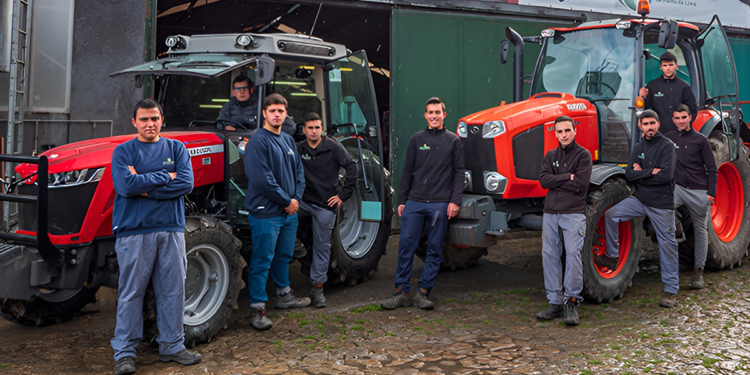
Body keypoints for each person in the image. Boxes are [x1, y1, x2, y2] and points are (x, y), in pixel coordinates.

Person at [110, 99, 200, 375]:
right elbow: (126, 185)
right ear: (134, 122)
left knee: (173, 290)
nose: (150, 124)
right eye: (144, 119)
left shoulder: (177, 148)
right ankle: (124, 353)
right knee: (131, 293)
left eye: (154, 119)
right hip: (134, 230)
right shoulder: (123, 152)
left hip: (171, 229)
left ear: (162, 120)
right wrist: (165, 176)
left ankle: (172, 346)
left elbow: (186, 183)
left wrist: (146, 186)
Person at [381, 97, 465, 311]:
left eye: (438, 112)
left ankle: (423, 293)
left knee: (435, 249)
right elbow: (407, 170)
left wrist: (454, 201)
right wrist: (402, 200)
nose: (434, 116)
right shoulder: (417, 139)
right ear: (425, 115)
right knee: (405, 246)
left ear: (444, 115)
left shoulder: (453, 141)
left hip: (439, 204)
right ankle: (400, 292)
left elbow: (458, 173)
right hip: (415, 202)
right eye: (430, 112)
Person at [595, 110, 679, 308]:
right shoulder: (638, 147)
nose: (649, 127)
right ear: (640, 126)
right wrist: (650, 172)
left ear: (658, 123)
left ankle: (670, 290)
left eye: (652, 123)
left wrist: (642, 173)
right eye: (645, 124)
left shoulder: (667, 146)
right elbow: (630, 175)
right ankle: (612, 258)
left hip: (661, 205)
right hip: (640, 200)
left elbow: (666, 176)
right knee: (611, 215)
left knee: (667, 245)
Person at [244, 93, 310, 331]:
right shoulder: (258, 141)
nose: (277, 114)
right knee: (262, 260)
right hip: (266, 213)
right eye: (272, 110)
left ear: (286, 114)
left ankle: (284, 295)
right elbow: (261, 179)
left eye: (281, 111)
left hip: (288, 212)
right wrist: (286, 201)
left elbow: (299, 173)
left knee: (283, 256)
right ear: (264, 113)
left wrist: (296, 199)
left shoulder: (288, 141)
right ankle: (258, 308)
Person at [296, 112, 358, 307]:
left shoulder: (333, 147)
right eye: (310, 128)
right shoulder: (298, 149)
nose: (314, 131)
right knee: (282, 226)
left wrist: (342, 196)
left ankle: (317, 289)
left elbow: (352, 168)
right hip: (303, 203)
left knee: (322, 246)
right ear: (304, 130)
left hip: (325, 205)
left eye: (317, 127)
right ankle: (298, 254)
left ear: (322, 129)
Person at [536, 116, 592, 326]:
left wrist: (558, 180)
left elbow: (580, 184)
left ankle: (571, 301)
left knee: (573, 255)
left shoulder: (583, 156)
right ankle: (554, 302)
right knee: (549, 255)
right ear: (555, 133)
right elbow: (543, 180)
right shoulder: (550, 155)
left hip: (574, 213)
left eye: (567, 130)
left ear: (574, 131)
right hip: (551, 212)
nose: (564, 135)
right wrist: (565, 177)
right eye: (560, 132)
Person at [664, 103, 717, 289]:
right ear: (673, 119)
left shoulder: (701, 140)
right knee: (663, 209)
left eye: (683, 117)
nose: (680, 121)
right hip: (678, 188)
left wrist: (711, 194)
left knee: (701, 229)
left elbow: (711, 168)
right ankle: (677, 230)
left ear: (690, 118)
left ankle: (698, 271)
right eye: (677, 118)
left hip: (698, 190)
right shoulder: (668, 138)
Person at [638, 52, 697, 135]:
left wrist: (684, 128)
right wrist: (642, 97)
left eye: (671, 65)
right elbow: (645, 108)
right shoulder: (652, 85)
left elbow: (692, 110)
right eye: (665, 66)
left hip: (679, 133)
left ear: (676, 66)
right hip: (658, 133)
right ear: (661, 67)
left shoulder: (684, 86)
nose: (668, 68)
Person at [216, 75, 295, 135]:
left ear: (251, 90)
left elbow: (289, 127)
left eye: (244, 88)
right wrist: (225, 128)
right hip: (234, 144)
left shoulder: (263, 104)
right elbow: (219, 123)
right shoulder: (228, 106)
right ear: (233, 92)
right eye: (238, 89)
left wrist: (270, 136)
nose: (241, 92)